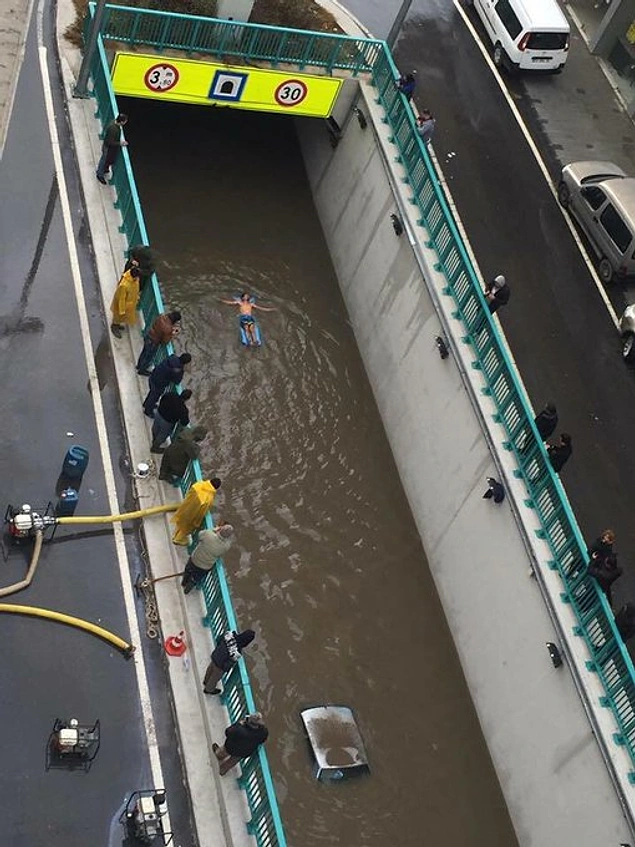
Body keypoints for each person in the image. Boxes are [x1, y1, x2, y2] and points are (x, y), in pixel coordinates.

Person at [182, 522, 235, 593]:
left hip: (195, 559)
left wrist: (213, 530)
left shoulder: (208, 534)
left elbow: (199, 535)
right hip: (205, 567)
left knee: (188, 570)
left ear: (220, 529)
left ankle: (184, 582)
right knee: (196, 578)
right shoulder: (226, 546)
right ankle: (188, 589)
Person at [202, 627, 254, 694]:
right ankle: (208, 690)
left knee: (210, 669)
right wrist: (225, 669)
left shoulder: (230, 635)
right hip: (220, 666)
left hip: (216, 655)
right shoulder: (237, 652)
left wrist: (218, 650)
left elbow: (219, 639)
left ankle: (205, 681)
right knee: (214, 679)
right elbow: (229, 663)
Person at [172, 478, 222, 545]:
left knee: (180, 520)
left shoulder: (199, 484)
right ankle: (178, 539)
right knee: (185, 529)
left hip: (185, 507)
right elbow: (201, 512)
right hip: (191, 515)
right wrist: (197, 523)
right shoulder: (208, 498)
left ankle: (175, 534)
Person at [142, 352, 191, 418]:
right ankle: (148, 411)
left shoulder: (172, 357)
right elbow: (177, 381)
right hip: (159, 383)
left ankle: (146, 404)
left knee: (151, 393)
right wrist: (182, 371)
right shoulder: (178, 369)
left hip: (154, 375)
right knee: (154, 396)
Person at [137, 311, 182, 376]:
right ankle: (142, 370)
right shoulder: (168, 329)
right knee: (148, 357)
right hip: (153, 342)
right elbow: (165, 341)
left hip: (149, 335)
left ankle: (139, 365)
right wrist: (172, 334)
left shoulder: (161, 316)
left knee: (144, 352)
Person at [151, 389, 192, 453]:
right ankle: (155, 447)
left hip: (159, 414)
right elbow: (184, 422)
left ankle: (154, 439)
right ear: (187, 399)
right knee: (162, 436)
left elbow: (163, 398)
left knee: (155, 428)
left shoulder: (171, 394)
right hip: (167, 422)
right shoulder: (183, 409)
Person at [96, 113, 128, 184]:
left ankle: (103, 170)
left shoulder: (113, 124)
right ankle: (99, 174)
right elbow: (110, 142)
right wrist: (120, 143)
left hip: (107, 147)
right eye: (125, 121)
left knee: (105, 160)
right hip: (107, 148)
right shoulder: (114, 129)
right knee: (104, 160)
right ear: (122, 122)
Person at [110, 266, 140, 338]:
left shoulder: (134, 281)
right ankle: (114, 326)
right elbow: (121, 299)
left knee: (121, 318)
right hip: (123, 305)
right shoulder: (124, 285)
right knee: (118, 317)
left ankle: (117, 324)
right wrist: (122, 310)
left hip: (128, 303)